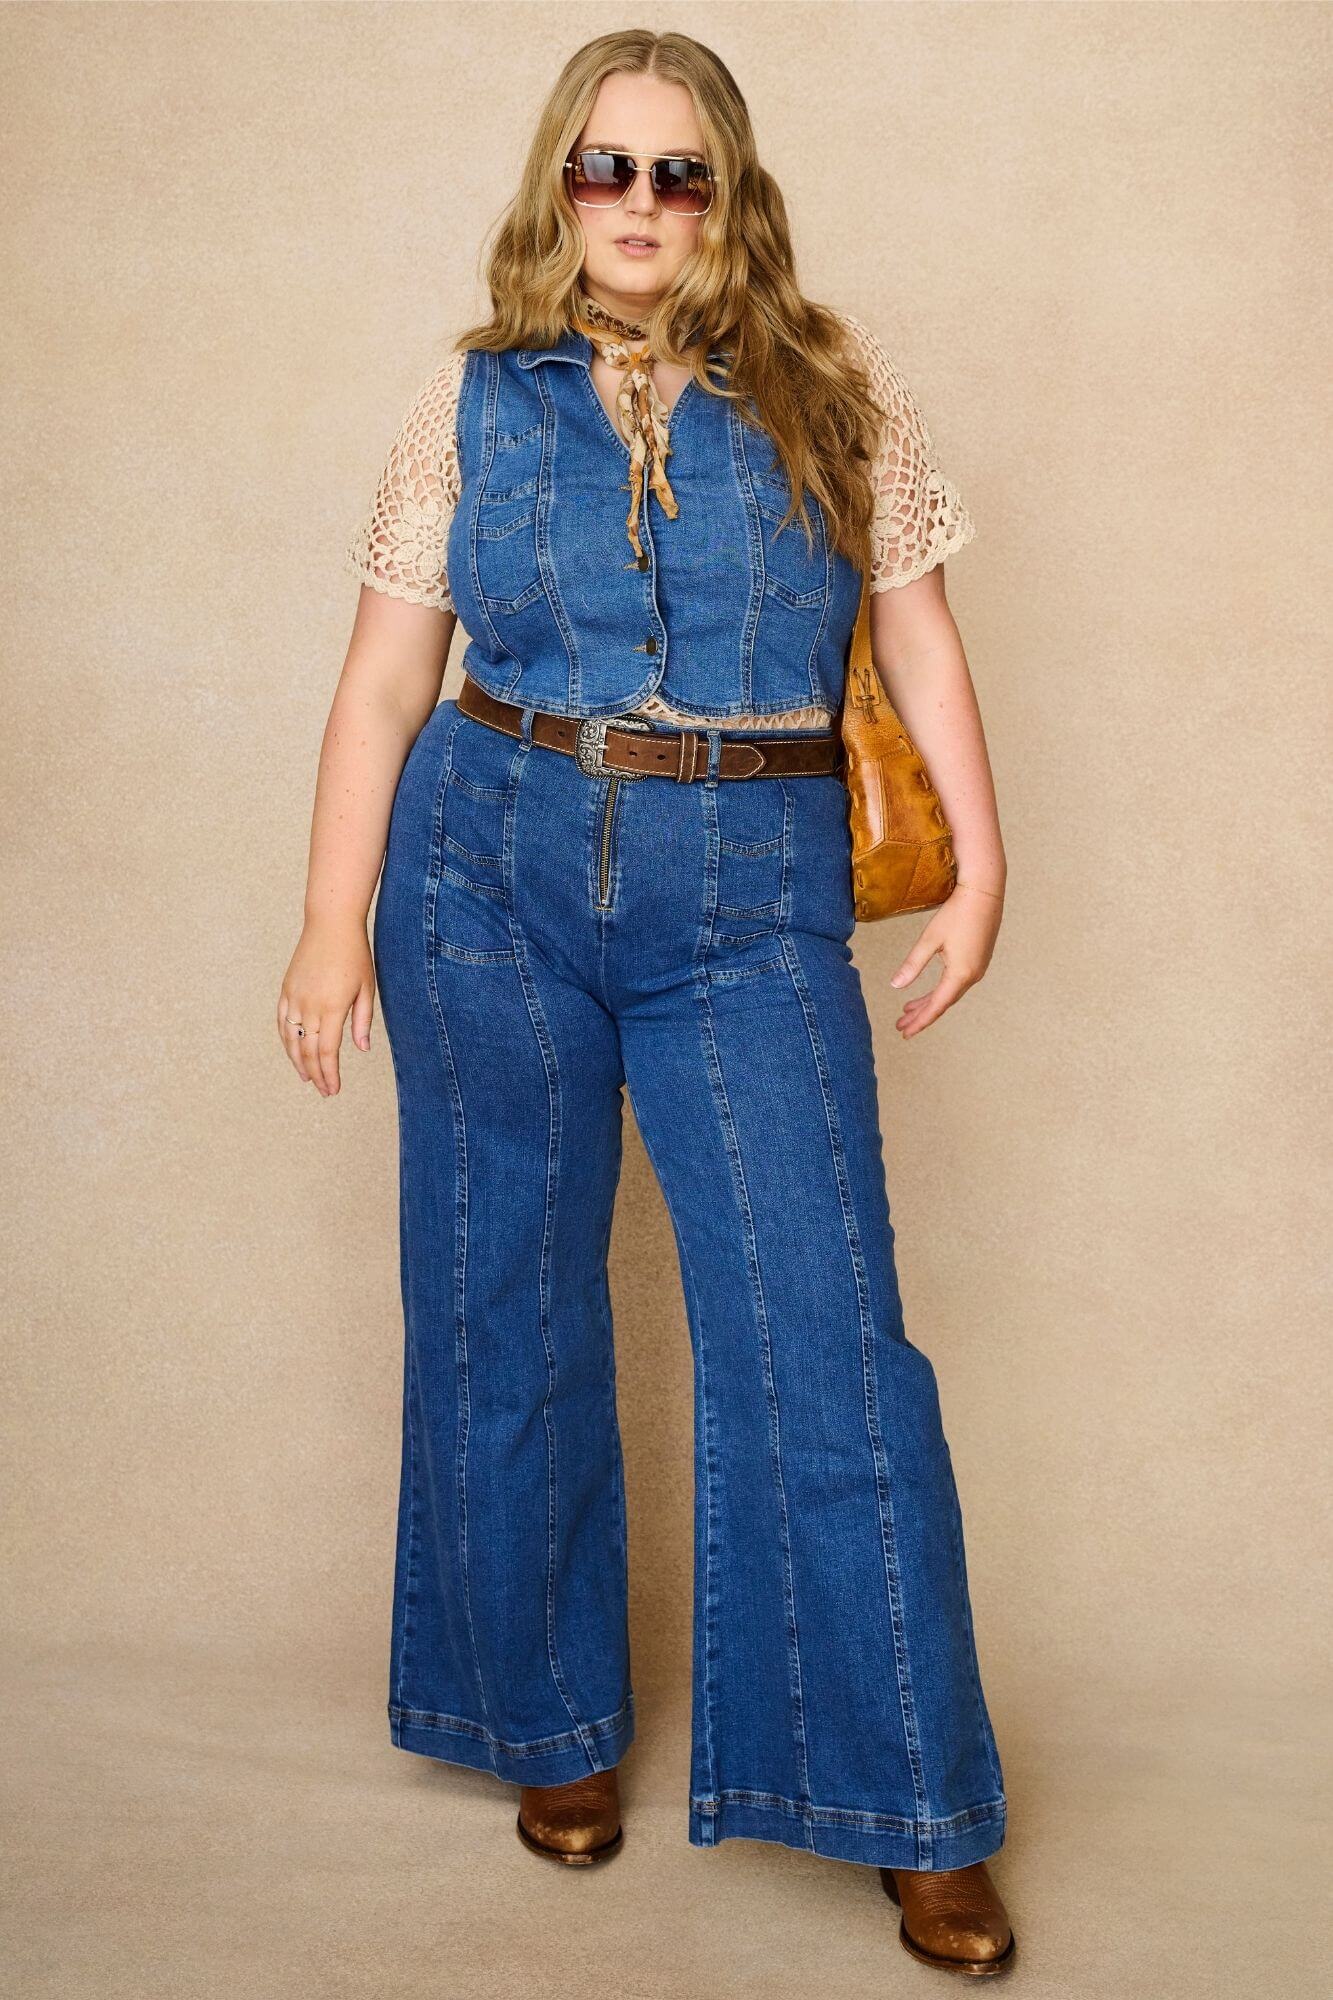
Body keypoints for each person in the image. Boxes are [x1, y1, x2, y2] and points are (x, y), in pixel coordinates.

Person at [278, 27, 1015, 1981]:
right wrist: (331, 923)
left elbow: (920, 641)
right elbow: (383, 679)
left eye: (678, 173)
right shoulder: (471, 399)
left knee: (824, 1344)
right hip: (484, 867)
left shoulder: (837, 390)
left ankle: (909, 1806)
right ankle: (547, 1726)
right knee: (500, 1308)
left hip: (747, 893)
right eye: (605, 168)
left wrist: (984, 867)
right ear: (560, 184)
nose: (638, 204)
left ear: (729, 195)